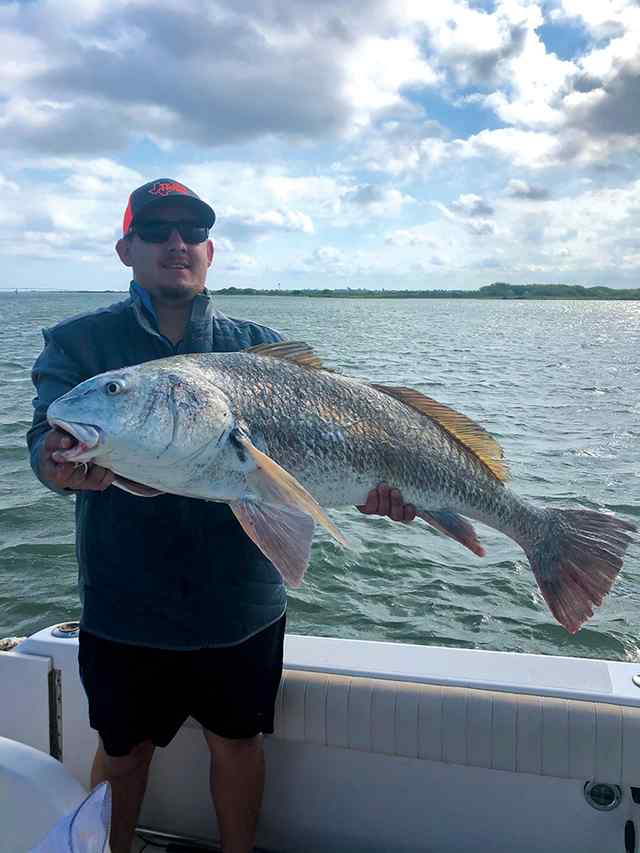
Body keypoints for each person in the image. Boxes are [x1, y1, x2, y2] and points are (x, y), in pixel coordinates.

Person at [27, 178, 417, 853]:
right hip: (126, 607)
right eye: (155, 230)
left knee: (238, 746)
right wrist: (54, 463)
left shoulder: (259, 347)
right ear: (126, 248)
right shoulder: (79, 344)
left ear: (210, 250)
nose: (175, 242)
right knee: (122, 755)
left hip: (241, 605)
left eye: (192, 230)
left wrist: (383, 491)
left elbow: (337, 451)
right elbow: (45, 435)